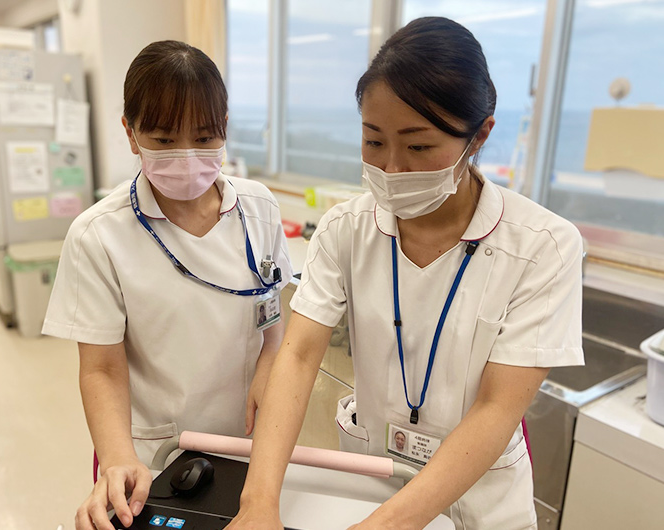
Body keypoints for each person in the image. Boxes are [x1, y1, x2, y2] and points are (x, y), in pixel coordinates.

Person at [227, 17, 583, 530]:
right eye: (374, 142)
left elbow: (496, 408)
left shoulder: (543, 247)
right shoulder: (346, 228)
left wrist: (386, 526)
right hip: (370, 477)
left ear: (479, 135)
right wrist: (258, 502)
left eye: (418, 147)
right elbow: (300, 355)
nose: (391, 169)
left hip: (480, 499)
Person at [42, 41, 292, 530]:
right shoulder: (100, 235)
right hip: (150, 454)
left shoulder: (259, 208)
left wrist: (271, 372)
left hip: (249, 447)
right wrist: (118, 459)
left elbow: (273, 325)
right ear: (130, 135)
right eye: (162, 139)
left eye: (204, 138)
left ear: (225, 127)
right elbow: (101, 370)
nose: (187, 158)